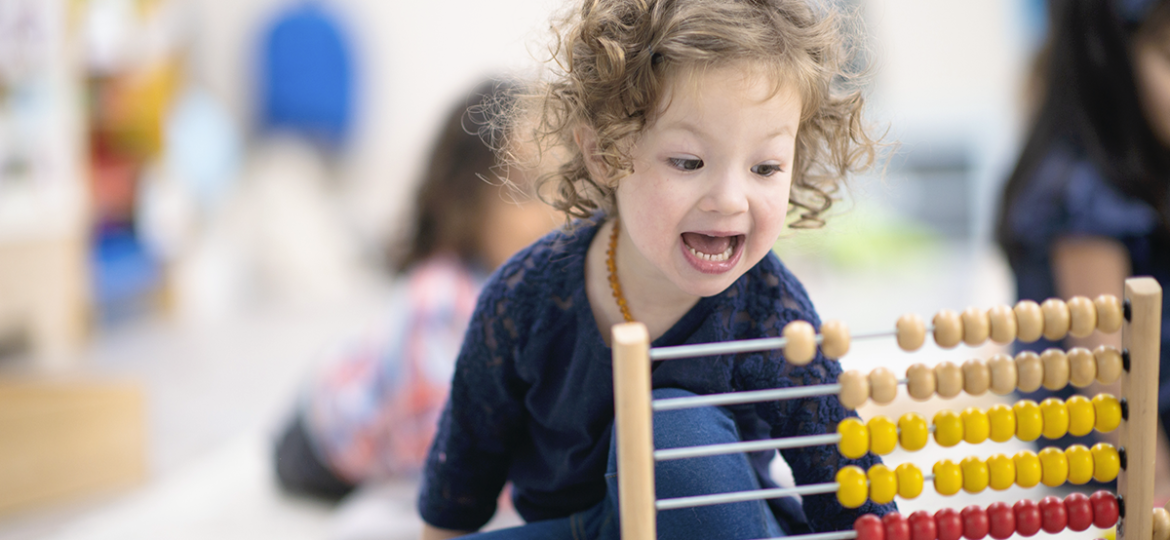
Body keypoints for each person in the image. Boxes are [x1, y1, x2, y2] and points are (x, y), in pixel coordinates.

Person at [417, 1, 896, 538]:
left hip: (714, 527)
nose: (730, 199)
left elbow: (845, 482)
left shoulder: (768, 311)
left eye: (765, 167)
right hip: (579, 528)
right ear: (603, 155)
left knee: (673, 427)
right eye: (688, 162)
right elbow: (460, 479)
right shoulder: (522, 298)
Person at [274, 79, 558, 500]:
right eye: (524, 189)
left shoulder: (538, 282)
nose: (552, 211)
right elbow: (443, 461)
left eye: (559, 184)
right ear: (466, 198)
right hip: (323, 434)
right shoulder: (439, 304)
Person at [996, 0, 1170, 498]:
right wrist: (1156, 491)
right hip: (1115, 478)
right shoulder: (1081, 194)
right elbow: (1110, 380)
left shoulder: (1153, 166)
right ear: (1110, 63)